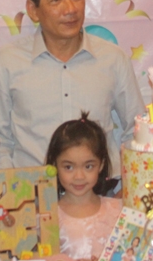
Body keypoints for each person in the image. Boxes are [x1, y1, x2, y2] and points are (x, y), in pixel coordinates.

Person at [0, 0, 144, 180]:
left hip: (102, 192)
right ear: (33, 9)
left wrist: (127, 186)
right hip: (33, 194)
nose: (70, 9)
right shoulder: (8, 61)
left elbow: (138, 131)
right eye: (56, 0)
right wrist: (14, 194)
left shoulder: (113, 58)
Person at [45, 112, 122, 261]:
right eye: (68, 167)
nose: (79, 176)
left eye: (88, 166)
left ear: (101, 165)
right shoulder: (48, 218)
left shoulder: (118, 211)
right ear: (55, 165)